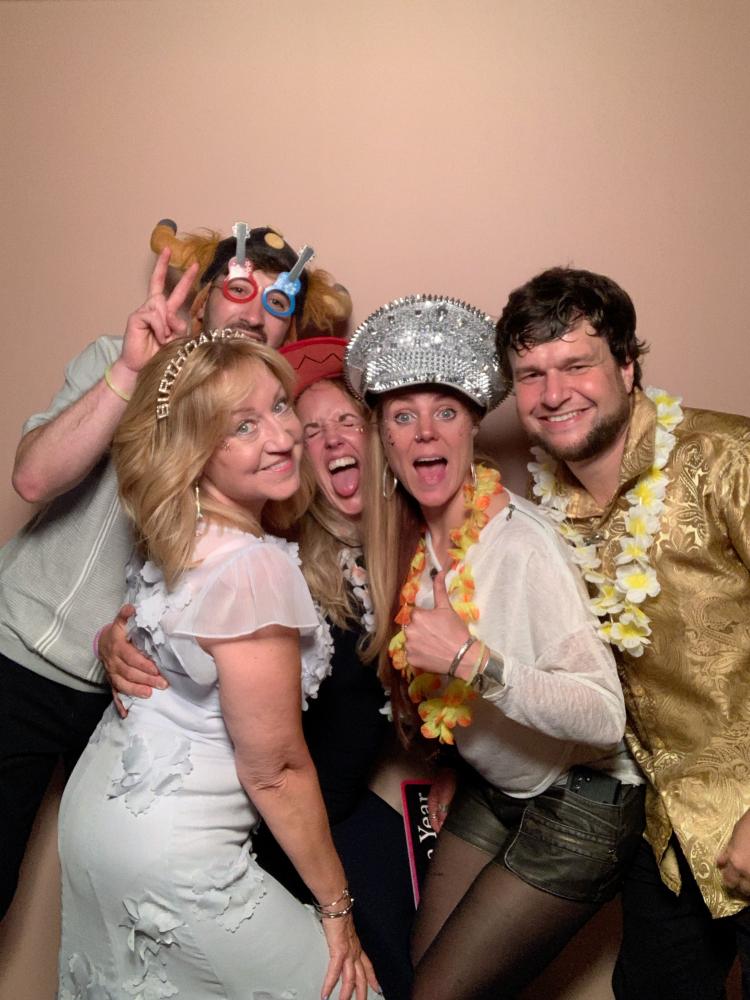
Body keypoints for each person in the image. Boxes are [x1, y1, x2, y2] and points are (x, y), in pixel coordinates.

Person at [0, 220, 348, 920]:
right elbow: (34, 479)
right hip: (20, 659)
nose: (253, 313)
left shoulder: (261, 434)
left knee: (118, 900)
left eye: (277, 303)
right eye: (239, 289)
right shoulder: (117, 361)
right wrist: (132, 374)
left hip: (129, 699)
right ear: (203, 300)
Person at [57, 332, 379, 1000]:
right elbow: (275, 770)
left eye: (280, 406)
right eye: (244, 426)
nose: (284, 437)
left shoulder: (180, 533)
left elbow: (161, 637)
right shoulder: (255, 566)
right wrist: (337, 909)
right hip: (175, 853)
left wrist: (113, 639)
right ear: (196, 450)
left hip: (94, 820)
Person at [346, 294, 646, 999]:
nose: (426, 432)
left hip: (584, 796)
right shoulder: (408, 548)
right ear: (384, 438)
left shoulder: (522, 546)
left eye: (446, 412)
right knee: (412, 973)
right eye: (403, 416)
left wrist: (471, 661)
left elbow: (606, 718)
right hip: (498, 788)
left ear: (474, 425)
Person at [494, 266, 750, 1000]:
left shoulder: (726, 459)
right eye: (531, 374)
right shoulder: (544, 511)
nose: (553, 393)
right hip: (664, 831)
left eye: (576, 364)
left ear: (628, 367)